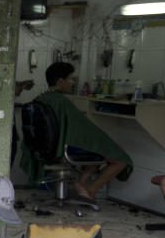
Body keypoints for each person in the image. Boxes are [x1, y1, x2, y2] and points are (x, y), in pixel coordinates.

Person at [28, 62, 132, 200]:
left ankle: (81, 184)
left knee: (96, 150)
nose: (72, 83)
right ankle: (91, 191)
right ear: (60, 81)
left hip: (50, 146)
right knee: (120, 159)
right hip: (64, 147)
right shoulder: (61, 102)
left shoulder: (43, 98)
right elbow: (82, 131)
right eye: (70, 79)